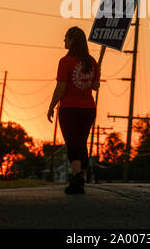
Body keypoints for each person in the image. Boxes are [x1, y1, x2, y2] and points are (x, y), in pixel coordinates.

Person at [47, 26, 100, 194]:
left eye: (66, 38)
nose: (64, 40)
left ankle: (77, 177)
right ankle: (81, 179)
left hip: (70, 109)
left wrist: (51, 106)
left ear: (72, 40)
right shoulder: (92, 61)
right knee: (81, 142)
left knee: (72, 143)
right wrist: (95, 81)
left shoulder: (65, 61)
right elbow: (95, 86)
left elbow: (61, 87)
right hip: (88, 109)